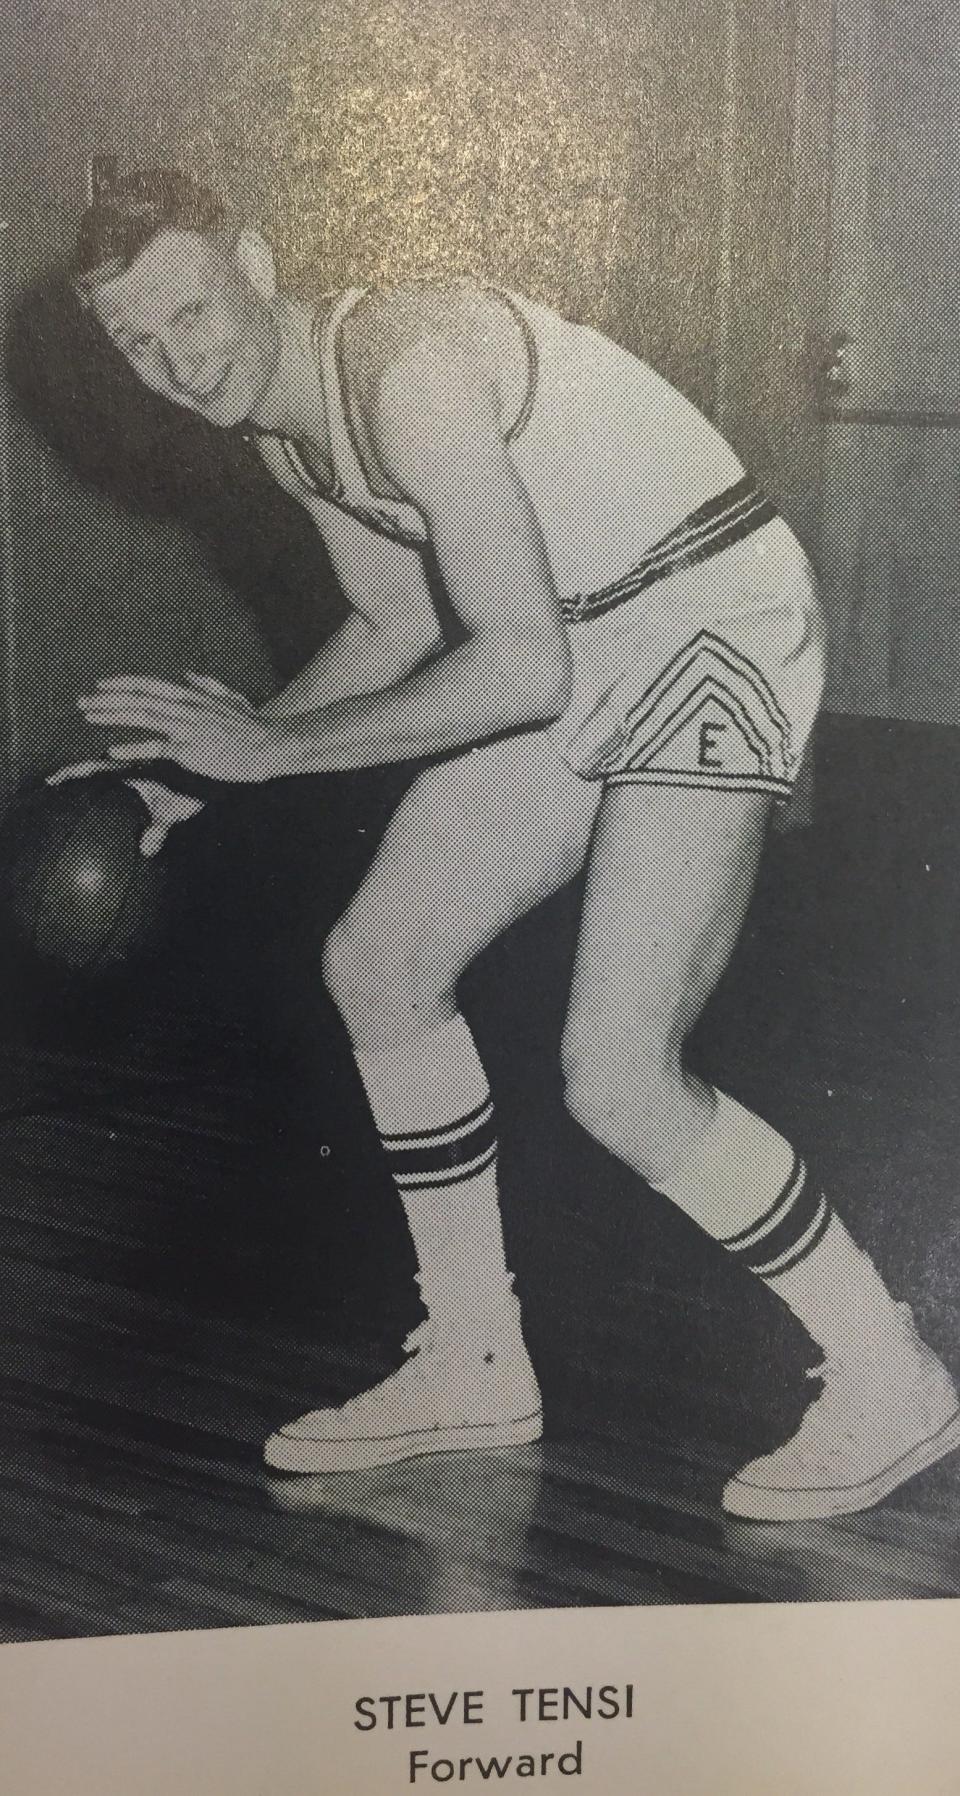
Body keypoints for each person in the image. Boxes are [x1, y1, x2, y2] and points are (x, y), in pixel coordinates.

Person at [59, 167, 960, 1522]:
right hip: (582, 636)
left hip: (704, 614)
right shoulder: (282, 420)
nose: (178, 361)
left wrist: (274, 749)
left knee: (615, 1073)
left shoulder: (402, 371)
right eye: (136, 342)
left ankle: (890, 1371)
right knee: (380, 961)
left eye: (191, 311)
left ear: (253, 255)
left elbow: (521, 665)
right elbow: (392, 626)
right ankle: (476, 1355)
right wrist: (208, 779)